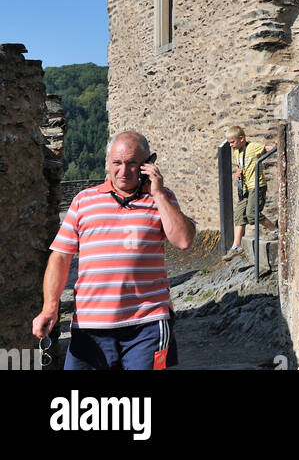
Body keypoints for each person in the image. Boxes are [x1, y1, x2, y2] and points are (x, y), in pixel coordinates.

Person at [32, 130, 196, 370]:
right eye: (116, 163)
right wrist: (50, 308)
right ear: (107, 163)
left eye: (132, 164)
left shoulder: (161, 199)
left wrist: (158, 193)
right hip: (90, 325)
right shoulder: (83, 201)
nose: (123, 171)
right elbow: (61, 257)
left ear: (148, 164)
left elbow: (183, 241)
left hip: (147, 324)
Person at [223, 126, 276, 261]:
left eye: (232, 142)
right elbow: (240, 166)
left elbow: (268, 149)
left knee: (252, 214)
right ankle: (236, 247)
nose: (230, 145)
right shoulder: (237, 152)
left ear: (242, 138)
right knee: (239, 215)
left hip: (257, 186)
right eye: (229, 142)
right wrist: (238, 172)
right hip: (245, 189)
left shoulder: (253, 147)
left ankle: (276, 230)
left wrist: (275, 145)